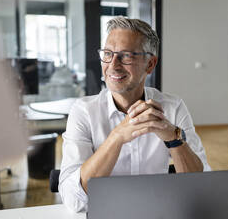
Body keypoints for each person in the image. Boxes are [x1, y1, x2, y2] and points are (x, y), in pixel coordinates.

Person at [58, 17, 210, 212]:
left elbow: (202, 187)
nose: (113, 65)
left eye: (126, 56)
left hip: (157, 212)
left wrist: (173, 139)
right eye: (107, 54)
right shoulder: (84, 112)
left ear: (150, 64)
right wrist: (117, 137)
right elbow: (73, 200)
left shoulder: (173, 108)